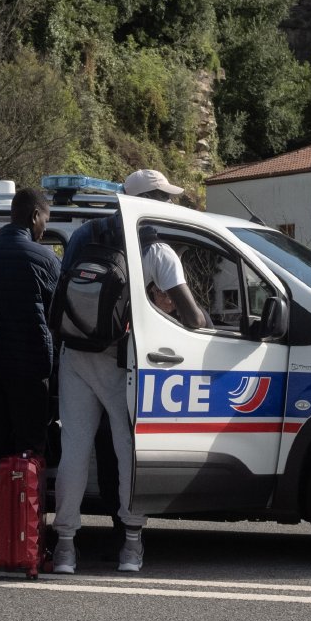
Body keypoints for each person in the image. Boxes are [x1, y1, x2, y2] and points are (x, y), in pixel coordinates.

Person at [51, 169, 206, 575]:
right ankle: (131, 546)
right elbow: (193, 317)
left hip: (75, 354)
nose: (170, 205)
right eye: (165, 198)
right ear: (150, 202)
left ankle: (64, 548)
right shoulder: (157, 251)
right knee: (128, 451)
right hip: (123, 361)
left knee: (74, 451)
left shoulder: (84, 235)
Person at [0, 187, 60, 555]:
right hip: (30, 371)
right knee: (30, 454)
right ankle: (27, 539)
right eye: (45, 221)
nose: (44, 228)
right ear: (34, 216)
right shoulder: (45, 257)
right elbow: (58, 312)